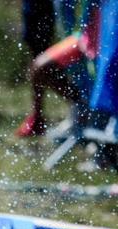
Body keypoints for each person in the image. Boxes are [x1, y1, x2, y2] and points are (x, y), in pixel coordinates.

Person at [16, 0, 102, 137]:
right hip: (84, 38)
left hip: (107, 40)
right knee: (40, 67)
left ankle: (99, 118)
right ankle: (82, 106)